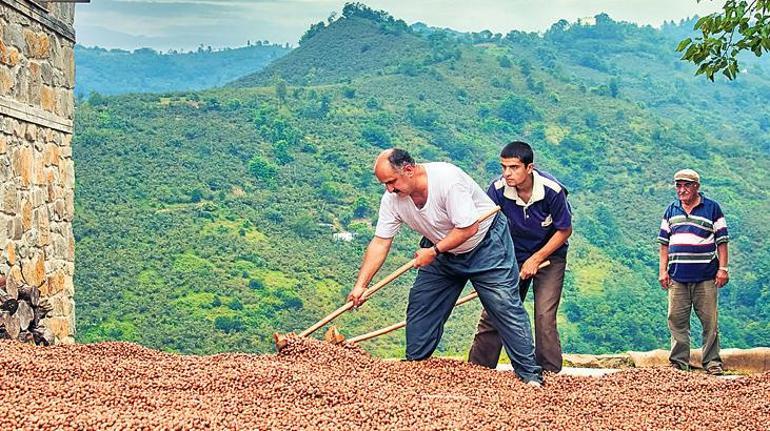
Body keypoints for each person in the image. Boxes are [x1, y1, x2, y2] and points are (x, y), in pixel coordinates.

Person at [347, 148, 543, 386]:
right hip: (440, 250)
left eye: (392, 181)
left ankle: (530, 377)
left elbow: (468, 228)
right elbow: (380, 242)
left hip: (485, 245)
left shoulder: (447, 180)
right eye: (384, 184)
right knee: (422, 304)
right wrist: (361, 286)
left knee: (504, 306)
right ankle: (415, 370)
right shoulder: (392, 200)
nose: (389, 189)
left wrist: (434, 251)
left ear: (408, 170)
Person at [468, 141, 572, 373]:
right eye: (504, 167)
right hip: (510, 255)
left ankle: (548, 371)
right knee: (496, 308)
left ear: (529, 167)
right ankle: (478, 370)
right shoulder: (497, 190)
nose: (507, 173)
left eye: (514, 167)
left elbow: (564, 230)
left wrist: (536, 259)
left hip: (550, 256)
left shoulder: (551, 191)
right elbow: (485, 227)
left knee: (544, 314)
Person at [657, 168, 729, 375]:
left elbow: (722, 241)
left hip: (706, 276)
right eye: (678, 186)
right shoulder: (671, 210)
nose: (682, 190)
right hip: (677, 276)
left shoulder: (712, 209)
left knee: (709, 322)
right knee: (676, 320)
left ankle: (712, 363)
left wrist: (723, 269)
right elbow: (664, 244)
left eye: (686, 185)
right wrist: (663, 271)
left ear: (696, 187)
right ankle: (679, 364)